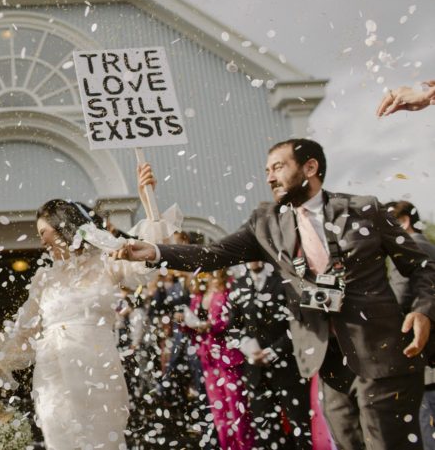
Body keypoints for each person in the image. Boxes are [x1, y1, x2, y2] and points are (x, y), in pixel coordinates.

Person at [118, 139, 435, 449]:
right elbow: (211, 254)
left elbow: (423, 265)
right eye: (267, 170)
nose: (269, 177)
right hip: (327, 362)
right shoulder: (266, 223)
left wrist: (423, 309)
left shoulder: (365, 209)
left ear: (310, 167)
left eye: (278, 167)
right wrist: (155, 250)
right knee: (347, 442)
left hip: (381, 353)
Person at [0, 199, 155, 450]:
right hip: (53, 377)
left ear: (63, 226)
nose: (41, 241)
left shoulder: (107, 263)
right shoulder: (44, 278)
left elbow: (146, 263)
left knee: (102, 440)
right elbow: (23, 330)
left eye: (44, 232)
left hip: (98, 371)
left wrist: (149, 204)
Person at [228, 261, 312, 450]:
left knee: (299, 423)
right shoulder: (238, 284)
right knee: (265, 428)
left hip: (287, 367)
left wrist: (273, 351)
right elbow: (232, 327)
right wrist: (246, 347)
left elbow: (297, 324)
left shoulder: (283, 282)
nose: (253, 260)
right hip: (255, 370)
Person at [184, 270, 254, 450]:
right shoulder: (200, 290)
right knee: (219, 411)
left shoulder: (229, 286)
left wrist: (212, 325)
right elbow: (193, 318)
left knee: (237, 408)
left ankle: (245, 446)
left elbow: (234, 319)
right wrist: (186, 324)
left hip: (227, 357)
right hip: (207, 358)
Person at [386, 201, 435, 450]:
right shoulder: (429, 246)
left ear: (403, 222)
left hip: (425, 359)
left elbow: (400, 298)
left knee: (428, 434)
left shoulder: (411, 250)